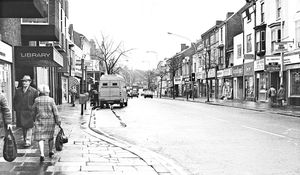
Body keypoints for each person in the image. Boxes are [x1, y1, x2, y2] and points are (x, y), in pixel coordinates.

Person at [32, 84, 61, 162]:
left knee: (40, 138)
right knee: (50, 137)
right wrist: (58, 120)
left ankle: (42, 154)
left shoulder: (37, 100)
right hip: (50, 121)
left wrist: (33, 118)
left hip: (39, 120)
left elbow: (33, 110)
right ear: (47, 91)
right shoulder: (51, 100)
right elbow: (55, 111)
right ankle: (50, 151)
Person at [13, 75, 39, 147]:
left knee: (29, 127)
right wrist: (16, 108)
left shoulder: (34, 91)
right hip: (21, 112)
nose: (24, 83)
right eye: (23, 81)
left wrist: (34, 111)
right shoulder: (18, 90)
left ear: (29, 82)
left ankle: (28, 141)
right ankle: (25, 139)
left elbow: (36, 102)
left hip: (29, 112)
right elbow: (15, 100)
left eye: (26, 81)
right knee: (23, 127)